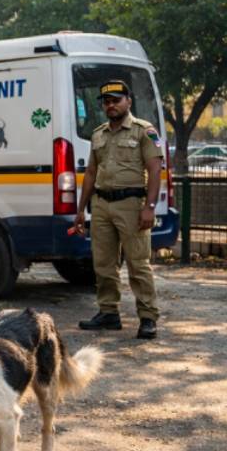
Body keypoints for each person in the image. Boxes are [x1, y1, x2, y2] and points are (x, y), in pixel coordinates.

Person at [72, 80, 164, 339]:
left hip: (132, 205)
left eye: (116, 100)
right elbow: (91, 172)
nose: (111, 105)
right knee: (103, 263)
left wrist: (150, 207)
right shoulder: (98, 134)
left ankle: (147, 317)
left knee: (138, 263)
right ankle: (108, 313)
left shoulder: (143, 131)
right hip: (101, 205)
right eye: (107, 102)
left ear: (128, 102)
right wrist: (81, 210)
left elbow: (155, 170)